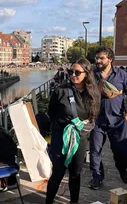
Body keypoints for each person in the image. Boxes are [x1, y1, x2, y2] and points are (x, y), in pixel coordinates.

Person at [46, 58, 101, 204]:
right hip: (61, 137)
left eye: (77, 72)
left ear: (86, 74)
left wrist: (80, 128)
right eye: (71, 71)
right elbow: (51, 113)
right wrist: (62, 126)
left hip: (80, 138)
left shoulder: (93, 94)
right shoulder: (61, 91)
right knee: (57, 173)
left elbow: (93, 116)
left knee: (75, 173)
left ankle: (74, 201)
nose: (73, 75)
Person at [89, 47, 127, 190]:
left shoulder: (121, 75)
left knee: (121, 152)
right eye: (97, 58)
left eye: (101, 58)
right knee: (95, 151)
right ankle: (97, 177)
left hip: (118, 120)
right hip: (97, 120)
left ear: (110, 59)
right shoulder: (92, 75)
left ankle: (122, 169)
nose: (98, 61)